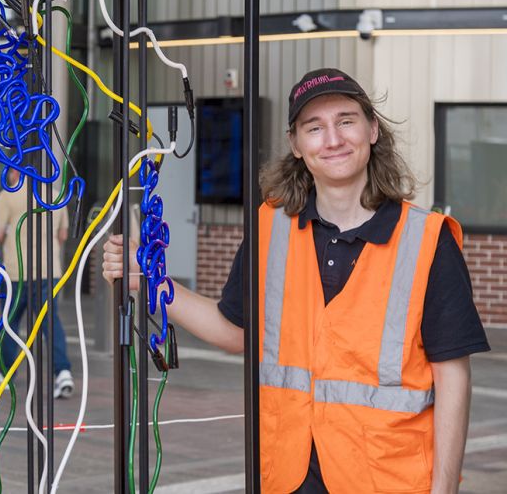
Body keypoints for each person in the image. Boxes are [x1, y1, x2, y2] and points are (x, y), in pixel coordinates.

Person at [102, 68, 489, 493]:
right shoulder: (272, 228)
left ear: (373, 129)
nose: (333, 139)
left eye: (346, 120)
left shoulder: (427, 240)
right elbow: (236, 331)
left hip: (388, 478)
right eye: (314, 127)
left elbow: (452, 375)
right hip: (287, 477)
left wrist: (445, 487)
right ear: (296, 145)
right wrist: (150, 282)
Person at [0, 167, 74, 399]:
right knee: (50, 323)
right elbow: (63, 235)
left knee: (11, 322)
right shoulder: (56, 194)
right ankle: (63, 372)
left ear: (17, 172)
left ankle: (5, 374)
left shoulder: (7, 196)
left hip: (17, 271)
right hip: (50, 272)